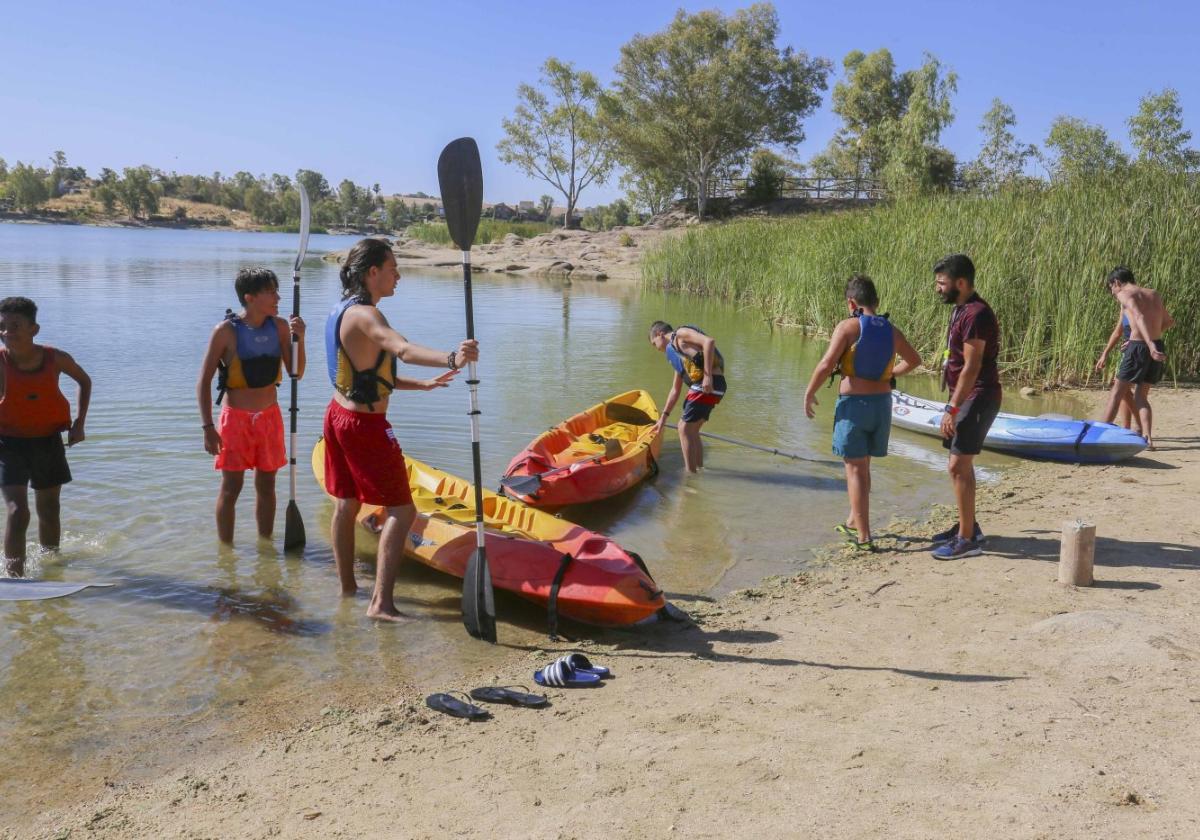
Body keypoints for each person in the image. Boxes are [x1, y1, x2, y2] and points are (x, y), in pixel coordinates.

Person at [322, 238, 478, 622]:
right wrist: (453, 357)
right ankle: (381, 604)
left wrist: (421, 385)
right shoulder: (367, 316)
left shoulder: (341, 311)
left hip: (338, 417)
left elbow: (368, 373)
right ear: (371, 272)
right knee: (402, 510)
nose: (398, 275)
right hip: (364, 427)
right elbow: (402, 349)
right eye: (392, 268)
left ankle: (347, 590)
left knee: (346, 502)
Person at [803, 275, 922, 551]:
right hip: (882, 406)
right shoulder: (891, 330)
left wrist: (809, 393)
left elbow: (825, 364)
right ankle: (854, 521)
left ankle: (865, 537)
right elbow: (915, 360)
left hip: (855, 407)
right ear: (877, 302)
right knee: (863, 466)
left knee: (854, 469)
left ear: (851, 303)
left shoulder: (848, 327)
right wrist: (891, 373)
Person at [196, 268, 306, 543]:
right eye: (271, 292)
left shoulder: (280, 326)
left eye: (277, 291)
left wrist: (299, 339)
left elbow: (296, 372)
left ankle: (265, 545)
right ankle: (226, 553)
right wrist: (208, 427)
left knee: (267, 486)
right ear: (250, 297)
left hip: (269, 417)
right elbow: (203, 381)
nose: (278, 297)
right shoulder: (225, 332)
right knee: (232, 487)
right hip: (235, 421)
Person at [0, 296, 92, 576]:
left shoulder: (55, 358)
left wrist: (79, 423)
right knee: (18, 512)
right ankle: (14, 579)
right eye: (2, 327)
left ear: (34, 330)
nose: (6, 333)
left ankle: (51, 568)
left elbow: (84, 381)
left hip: (48, 441)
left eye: (14, 326)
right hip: (8, 444)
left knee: (50, 509)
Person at [929, 254, 1002, 560]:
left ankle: (967, 540)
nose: (938, 289)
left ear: (961, 283)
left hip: (979, 396)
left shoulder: (977, 314)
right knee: (962, 465)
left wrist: (953, 408)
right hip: (969, 397)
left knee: (957, 466)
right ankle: (968, 526)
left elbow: (972, 368)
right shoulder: (962, 309)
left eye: (942, 283)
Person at [1097, 267, 1172, 449]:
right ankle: (1147, 437)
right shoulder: (1154, 294)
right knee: (1141, 397)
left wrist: (1140, 342)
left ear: (1116, 283)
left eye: (1111, 289)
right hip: (1156, 344)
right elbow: (1169, 321)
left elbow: (1138, 317)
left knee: (1116, 393)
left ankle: (1096, 438)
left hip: (1139, 348)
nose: (1113, 294)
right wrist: (1152, 342)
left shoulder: (1124, 294)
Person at [648, 321, 727, 472]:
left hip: (708, 384)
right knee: (692, 431)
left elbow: (709, 341)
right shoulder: (677, 355)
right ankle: (699, 470)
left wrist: (707, 376)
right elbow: (675, 390)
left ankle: (689, 476)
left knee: (683, 428)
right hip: (715, 388)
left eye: (654, 343)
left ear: (660, 334)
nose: (656, 348)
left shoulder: (680, 335)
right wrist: (662, 419)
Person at [1095, 310, 1143, 435]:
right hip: (1127, 353)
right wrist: (1104, 354)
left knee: (1120, 388)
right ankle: (1127, 427)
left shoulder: (1138, 302)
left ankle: (1139, 424)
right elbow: (1117, 332)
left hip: (1138, 352)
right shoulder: (1124, 305)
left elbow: (1152, 327)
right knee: (1124, 391)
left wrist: (1135, 341)